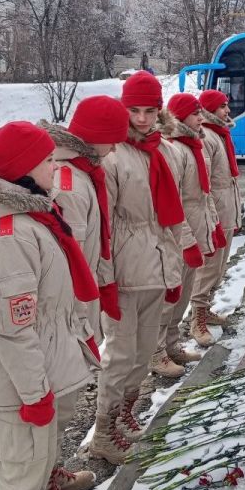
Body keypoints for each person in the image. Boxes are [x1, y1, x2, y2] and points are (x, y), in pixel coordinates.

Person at [0, 121, 99, 490]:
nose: (57, 168)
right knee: (20, 466)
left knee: (40, 453)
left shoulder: (34, 218)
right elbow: (13, 328)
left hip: (45, 358)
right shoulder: (10, 237)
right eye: (48, 162)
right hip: (23, 374)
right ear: (24, 171)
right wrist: (35, 393)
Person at [88, 70, 189, 465]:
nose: (143, 118)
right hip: (126, 270)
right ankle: (103, 428)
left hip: (158, 266)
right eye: (134, 109)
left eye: (150, 110)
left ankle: (125, 412)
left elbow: (173, 215)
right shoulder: (112, 154)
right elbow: (104, 223)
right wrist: (106, 280)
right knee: (120, 353)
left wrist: (177, 269)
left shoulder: (168, 151)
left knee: (145, 349)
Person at [37, 95, 129, 346]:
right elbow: (70, 261)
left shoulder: (82, 171)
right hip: (70, 310)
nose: (114, 148)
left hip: (79, 302)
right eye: (112, 140)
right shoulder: (71, 185)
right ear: (96, 135)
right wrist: (80, 321)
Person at [151, 92, 223, 377]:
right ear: (180, 117)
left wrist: (213, 226)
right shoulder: (176, 150)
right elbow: (174, 201)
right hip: (179, 236)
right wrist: (186, 240)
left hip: (196, 228)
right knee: (168, 299)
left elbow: (203, 195)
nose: (201, 117)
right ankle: (156, 353)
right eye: (195, 114)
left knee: (181, 298)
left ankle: (172, 345)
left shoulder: (193, 145)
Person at [191, 90, 243, 332]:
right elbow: (205, 183)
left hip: (226, 210)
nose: (228, 110)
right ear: (210, 110)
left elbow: (228, 179)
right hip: (215, 214)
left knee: (219, 267)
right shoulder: (208, 137)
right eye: (222, 106)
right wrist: (212, 218)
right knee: (208, 268)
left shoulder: (221, 134)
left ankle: (206, 308)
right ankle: (196, 319)